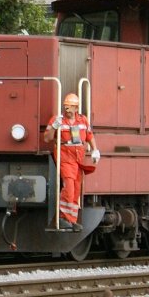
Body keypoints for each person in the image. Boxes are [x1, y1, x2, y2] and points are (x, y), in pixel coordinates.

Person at [43, 92, 100, 231]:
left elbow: (89, 135)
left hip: (78, 160)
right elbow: (47, 138)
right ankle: (62, 217)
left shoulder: (83, 120)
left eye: (70, 107)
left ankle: (72, 220)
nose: (67, 110)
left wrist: (95, 150)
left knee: (75, 189)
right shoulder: (57, 120)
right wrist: (55, 127)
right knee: (68, 185)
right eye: (66, 107)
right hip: (65, 158)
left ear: (76, 108)